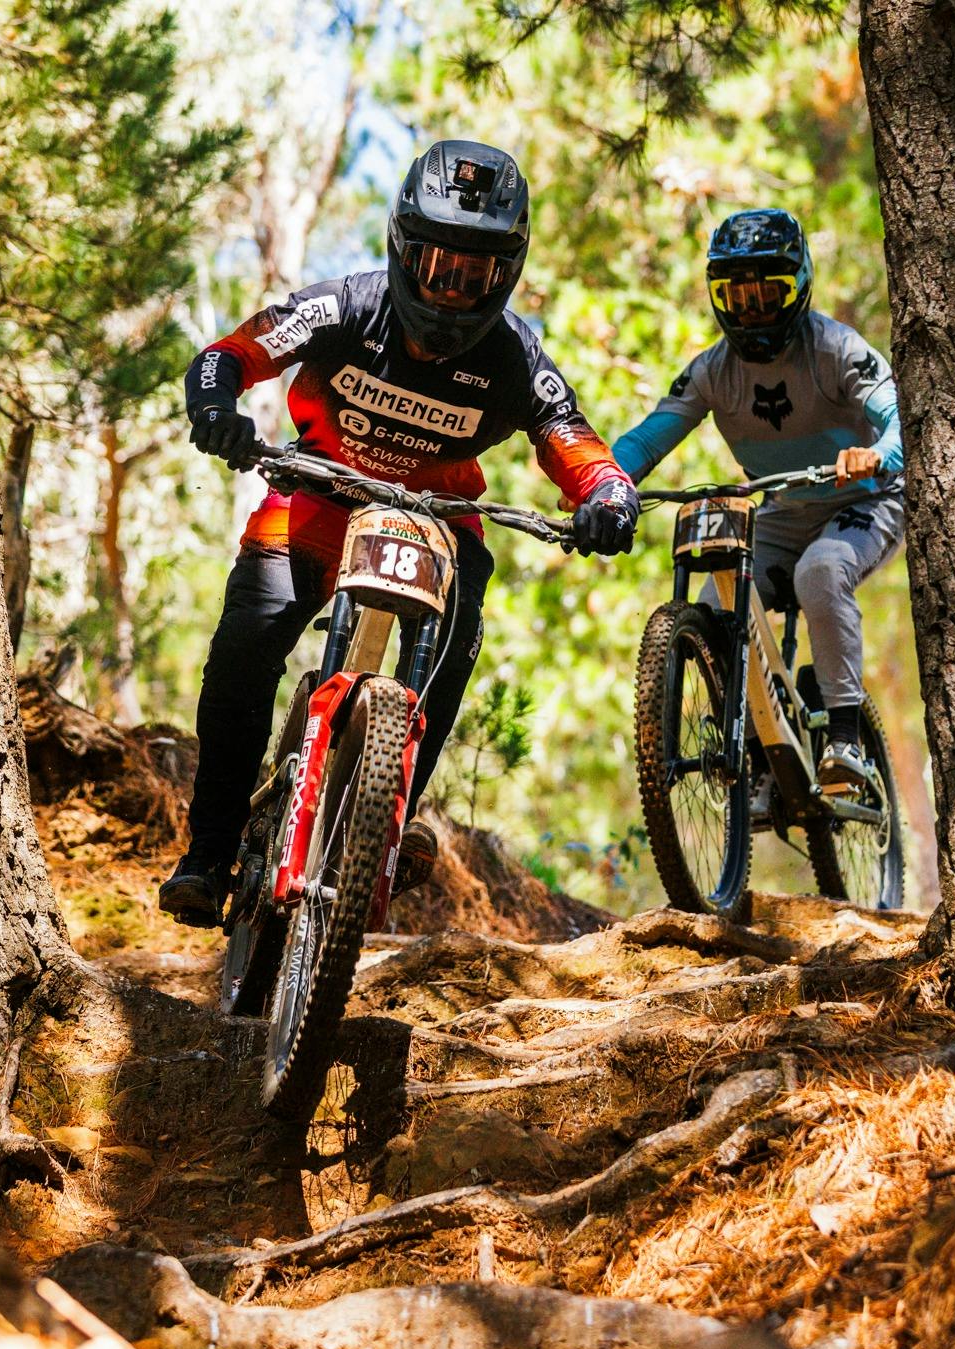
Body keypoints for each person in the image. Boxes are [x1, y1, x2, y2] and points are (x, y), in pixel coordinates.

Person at [159, 139, 640, 926]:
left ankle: (391, 813)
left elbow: (572, 438)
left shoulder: (514, 356)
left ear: (506, 273)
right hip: (314, 500)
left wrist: (610, 498)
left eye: (474, 274)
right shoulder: (345, 305)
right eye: (437, 266)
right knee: (244, 650)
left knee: (453, 644)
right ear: (401, 249)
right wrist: (216, 410)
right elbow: (229, 354)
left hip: (438, 527)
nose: (451, 291)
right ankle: (208, 854)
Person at [611, 208, 903, 786]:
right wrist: (603, 484)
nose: (751, 312)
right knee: (717, 605)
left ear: (796, 288)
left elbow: (900, 414)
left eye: (766, 296)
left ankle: (845, 737)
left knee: (821, 572)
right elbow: (646, 440)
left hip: (867, 502)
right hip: (785, 512)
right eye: (737, 298)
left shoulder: (835, 348)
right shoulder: (713, 372)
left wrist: (878, 454)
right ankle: (752, 746)